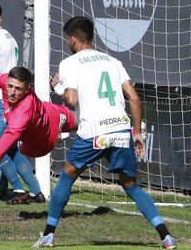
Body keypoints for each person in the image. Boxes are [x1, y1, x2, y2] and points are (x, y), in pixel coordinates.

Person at [33, 16, 177, 249]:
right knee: (130, 185)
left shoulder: (70, 63)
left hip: (94, 131)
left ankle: (48, 235)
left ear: (72, 39)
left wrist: (57, 86)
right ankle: (166, 236)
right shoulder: (113, 61)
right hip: (121, 129)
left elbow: (71, 99)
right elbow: (134, 97)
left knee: (68, 175)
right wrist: (137, 132)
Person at [0, 67, 75, 198]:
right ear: (7, 81)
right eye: (10, 86)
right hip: (51, 111)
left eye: (18, 89)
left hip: (43, 142)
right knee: (9, 150)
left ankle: (56, 138)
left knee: (19, 150)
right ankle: (32, 192)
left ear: (27, 89)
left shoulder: (22, 115)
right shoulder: (4, 80)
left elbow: (0, 150)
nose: (12, 92)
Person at [0, 2, 43, 204]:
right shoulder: (10, 38)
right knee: (11, 150)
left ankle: (17, 189)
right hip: (15, 103)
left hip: (3, 100)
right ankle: (35, 191)